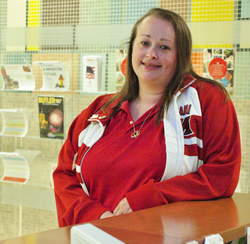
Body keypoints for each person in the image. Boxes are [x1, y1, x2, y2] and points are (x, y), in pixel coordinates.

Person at [53, 8, 241, 227]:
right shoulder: (99, 109)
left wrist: (150, 197)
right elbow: (64, 176)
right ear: (131, 48)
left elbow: (222, 175)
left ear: (180, 56)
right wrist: (97, 216)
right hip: (96, 236)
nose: (152, 54)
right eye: (144, 43)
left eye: (164, 47)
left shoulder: (208, 99)